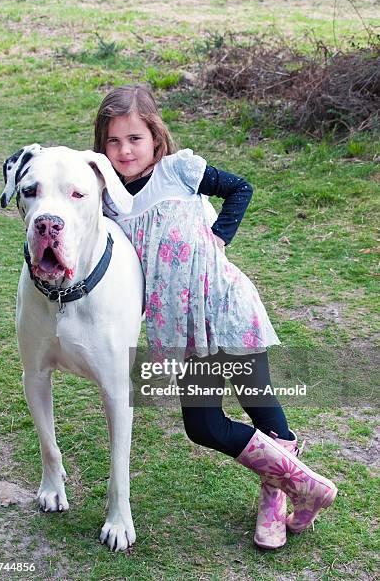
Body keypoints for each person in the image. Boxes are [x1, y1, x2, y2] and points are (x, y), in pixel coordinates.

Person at [93, 84, 337, 550]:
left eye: (135, 138)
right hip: (179, 329)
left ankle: (279, 496)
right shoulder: (110, 200)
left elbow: (240, 189)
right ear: (102, 146)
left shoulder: (177, 171)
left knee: (260, 404)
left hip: (224, 306)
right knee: (202, 425)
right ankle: (304, 484)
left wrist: (220, 237)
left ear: (155, 137)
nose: (125, 150)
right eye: (113, 141)